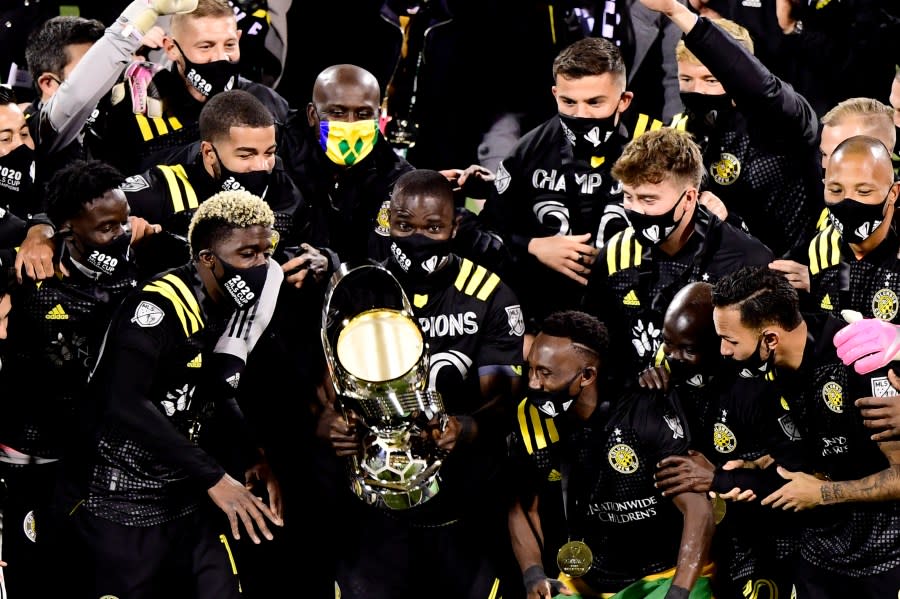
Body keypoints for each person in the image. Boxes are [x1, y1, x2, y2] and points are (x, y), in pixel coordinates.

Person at [56, 189, 284, 598]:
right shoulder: (158, 307)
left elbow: (211, 386)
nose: (262, 266)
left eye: (266, 253)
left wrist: (253, 454)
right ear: (208, 259)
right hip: (123, 505)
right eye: (248, 254)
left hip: (185, 499)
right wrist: (215, 477)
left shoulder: (224, 302)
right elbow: (123, 401)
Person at [320, 168, 525, 599]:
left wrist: (462, 428)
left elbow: (504, 402)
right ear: (387, 224)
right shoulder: (359, 290)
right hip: (374, 513)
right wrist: (332, 425)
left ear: (454, 226)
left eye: (433, 227)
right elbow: (329, 393)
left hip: (462, 508)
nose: (417, 238)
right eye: (404, 225)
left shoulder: (491, 294)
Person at [0, 159, 144, 598]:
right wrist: (37, 230)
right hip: (29, 462)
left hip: (99, 462)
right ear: (68, 229)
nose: (119, 235)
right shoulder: (23, 272)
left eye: (123, 223)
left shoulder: (137, 270)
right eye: (106, 228)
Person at [711, 265, 900, 598]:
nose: (724, 351)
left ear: (770, 338)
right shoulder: (766, 372)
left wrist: (822, 494)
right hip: (815, 552)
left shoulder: (862, 361)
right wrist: (761, 466)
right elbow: (820, 444)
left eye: (730, 340)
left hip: (882, 558)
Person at [507, 309, 714, 599]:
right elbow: (522, 507)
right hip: (586, 580)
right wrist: (533, 573)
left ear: (587, 375)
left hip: (665, 575)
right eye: (530, 369)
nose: (532, 383)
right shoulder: (530, 417)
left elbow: (697, 509)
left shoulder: (643, 408)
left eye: (545, 373)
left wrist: (678, 592)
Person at [478, 36, 652, 338]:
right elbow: (489, 231)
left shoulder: (654, 148)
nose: (581, 115)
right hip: (545, 318)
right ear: (555, 94)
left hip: (632, 314)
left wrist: (618, 259)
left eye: (595, 102)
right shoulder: (527, 151)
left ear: (624, 100)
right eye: (569, 102)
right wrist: (533, 246)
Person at [643, 282, 799, 599]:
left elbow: (794, 475)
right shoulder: (666, 371)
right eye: (667, 344)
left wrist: (718, 476)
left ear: (721, 345)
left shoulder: (758, 387)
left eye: (687, 349)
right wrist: (641, 384)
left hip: (763, 538)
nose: (672, 357)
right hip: (699, 535)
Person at [583, 127, 772, 377]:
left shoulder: (746, 261)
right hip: (636, 402)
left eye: (648, 200)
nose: (635, 211)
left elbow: (762, 362)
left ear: (689, 198)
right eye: (628, 197)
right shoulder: (617, 251)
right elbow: (594, 343)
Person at [641, 0, 819, 258]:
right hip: (718, 273)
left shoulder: (786, 120)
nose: (697, 90)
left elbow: (761, 87)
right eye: (686, 79)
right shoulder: (681, 131)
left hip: (786, 269)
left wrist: (677, 11)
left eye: (710, 80)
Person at [85, 0, 291, 176]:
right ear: (171, 48)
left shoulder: (266, 102)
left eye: (229, 45)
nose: (220, 58)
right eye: (206, 46)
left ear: (238, 39)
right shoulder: (135, 103)